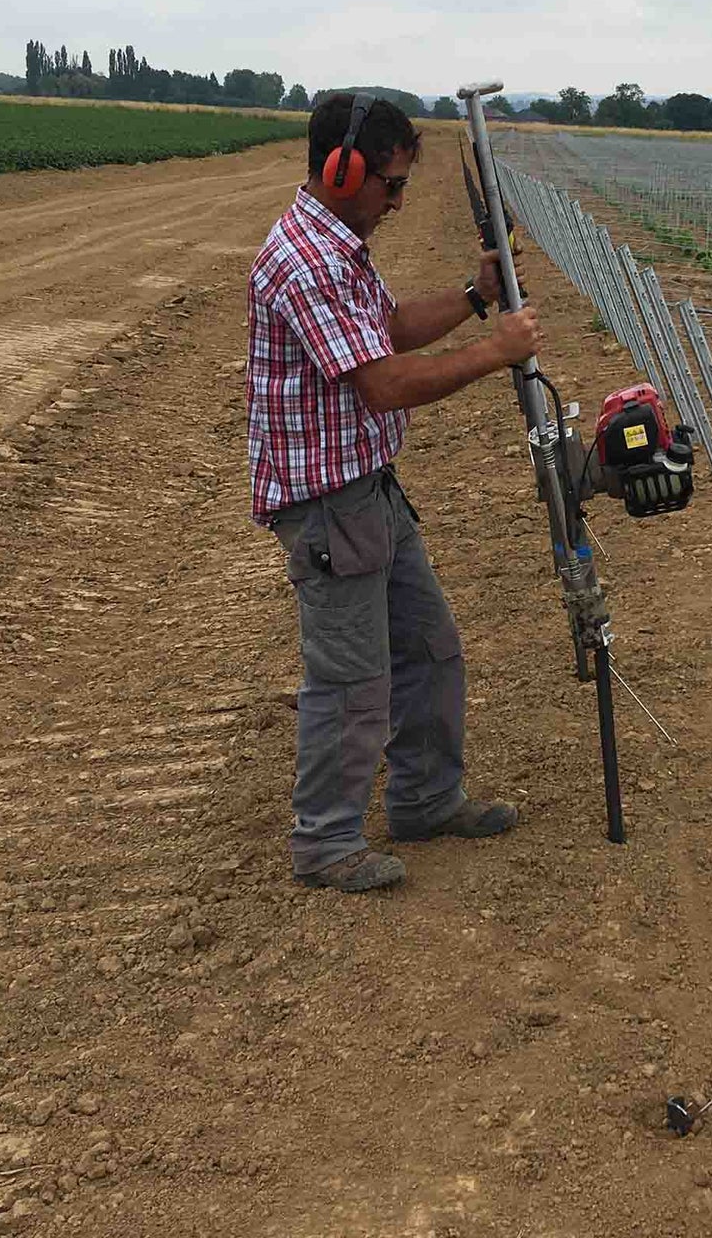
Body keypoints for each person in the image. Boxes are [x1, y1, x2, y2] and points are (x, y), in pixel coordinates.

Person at [246, 93, 540, 892]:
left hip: (371, 491)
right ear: (342, 171)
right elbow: (384, 383)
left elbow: (393, 329)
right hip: (329, 506)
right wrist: (496, 351)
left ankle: (425, 799)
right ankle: (327, 843)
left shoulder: (341, 245)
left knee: (429, 648)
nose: (401, 201)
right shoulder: (306, 261)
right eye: (393, 184)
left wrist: (476, 298)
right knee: (351, 681)